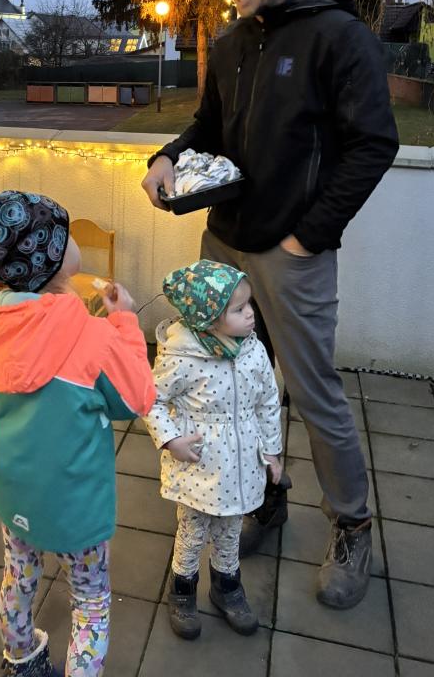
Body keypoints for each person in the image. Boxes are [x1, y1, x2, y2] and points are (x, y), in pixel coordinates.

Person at [141, 0, 399, 609]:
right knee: (234, 384)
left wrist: (307, 236)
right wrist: (168, 156)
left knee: (313, 395)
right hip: (224, 242)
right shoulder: (231, 41)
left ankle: (352, 526)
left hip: (293, 254)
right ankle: (264, 500)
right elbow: (209, 125)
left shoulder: (339, 37)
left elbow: (375, 143)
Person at [0, 186, 156, 677]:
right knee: (91, 601)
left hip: (14, 492)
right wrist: (125, 321)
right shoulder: (95, 337)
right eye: (68, 232)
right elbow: (136, 399)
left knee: (18, 578)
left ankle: (20, 658)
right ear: (55, 257)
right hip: (76, 505)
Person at [144, 260, 283, 640]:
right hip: (199, 465)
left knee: (230, 531)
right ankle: (182, 591)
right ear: (207, 319)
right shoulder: (182, 358)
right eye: (239, 309)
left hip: (242, 464)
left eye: (249, 304)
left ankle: (227, 587)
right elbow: (151, 400)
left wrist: (272, 451)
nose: (251, 313)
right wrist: (171, 439)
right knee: (192, 532)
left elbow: (268, 402)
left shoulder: (253, 351)